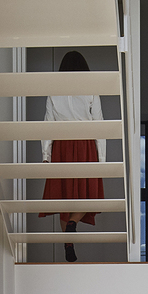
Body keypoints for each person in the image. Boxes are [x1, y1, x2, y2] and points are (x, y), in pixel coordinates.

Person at [39, 50, 106, 263]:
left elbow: (48, 124)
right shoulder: (90, 91)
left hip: (61, 146)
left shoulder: (54, 92)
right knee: (90, 195)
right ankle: (72, 224)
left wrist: (46, 156)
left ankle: (68, 241)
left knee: (63, 198)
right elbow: (99, 124)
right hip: (85, 143)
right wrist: (102, 159)